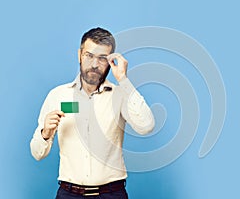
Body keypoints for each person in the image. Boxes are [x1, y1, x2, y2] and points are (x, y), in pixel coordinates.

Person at [30, 27, 155, 199]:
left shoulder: (120, 95)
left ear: (111, 61)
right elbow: (37, 153)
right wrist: (45, 133)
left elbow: (146, 126)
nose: (94, 64)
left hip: (112, 194)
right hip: (69, 194)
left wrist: (124, 80)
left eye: (102, 58)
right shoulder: (58, 95)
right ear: (80, 55)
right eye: (89, 56)